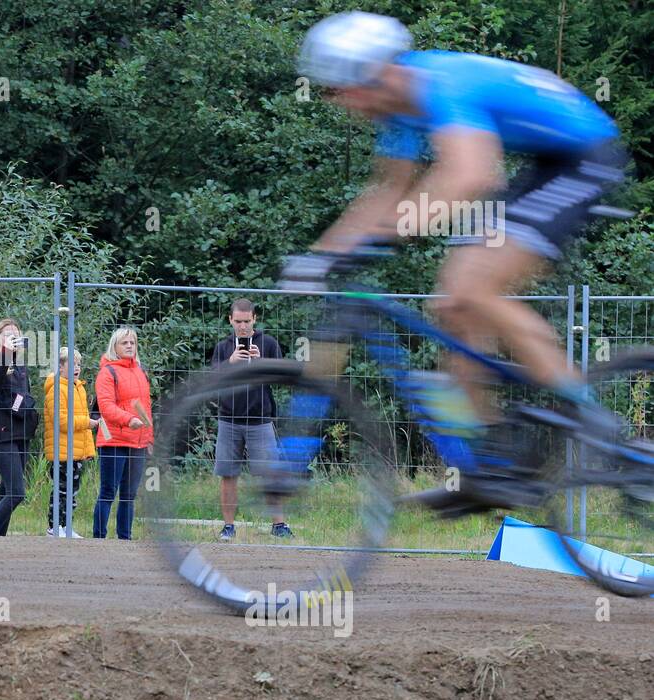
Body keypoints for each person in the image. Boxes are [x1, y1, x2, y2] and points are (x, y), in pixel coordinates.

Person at [289, 12, 629, 478]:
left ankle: (591, 415)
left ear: (376, 72)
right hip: (541, 161)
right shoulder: (398, 111)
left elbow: (472, 175)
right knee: (451, 306)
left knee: (473, 288)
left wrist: (386, 234)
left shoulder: (441, 84)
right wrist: (325, 254)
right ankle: (489, 457)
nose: (340, 102)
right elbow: (387, 191)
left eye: (341, 88)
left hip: (584, 158)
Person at [210, 299, 290, 539]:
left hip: (260, 419)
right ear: (230, 320)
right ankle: (228, 526)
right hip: (229, 418)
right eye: (238, 322)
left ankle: (279, 525)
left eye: (247, 321)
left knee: (270, 474)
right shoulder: (223, 347)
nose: (243, 327)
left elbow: (282, 379)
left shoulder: (268, 343)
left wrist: (260, 363)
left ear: (255, 319)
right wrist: (230, 363)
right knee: (228, 474)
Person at [92, 327, 153, 540]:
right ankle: (98, 538)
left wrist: (149, 437)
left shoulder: (140, 370)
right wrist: (129, 420)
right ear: (114, 347)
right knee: (108, 492)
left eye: (132, 343)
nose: (129, 346)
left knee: (129, 496)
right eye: (124, 343)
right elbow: (106, 407)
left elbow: (146, 407)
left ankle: (124, 539)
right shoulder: (107, 373)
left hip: (138, 443)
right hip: (114, 442)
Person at [0, 318, 40, 536]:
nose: (13, 337)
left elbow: (23, 395)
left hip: (21, 433)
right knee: (17, 493)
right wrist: (5, 354)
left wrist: (29, 409)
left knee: (6, 490)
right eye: (7, 334)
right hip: (2, 433)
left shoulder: (20, 364)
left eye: (16, 334)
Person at [43, 346, 97, 538]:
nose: (77, 368)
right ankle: (54, 527)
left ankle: (66, 527)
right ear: (60, 366)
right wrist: (88, 424)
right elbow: (62, 422)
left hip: (76, 451)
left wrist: (88, 450)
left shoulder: (78, 388)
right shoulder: (56, 390)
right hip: (62, 451)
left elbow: (80, 420)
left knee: (72, 493)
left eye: (79, 364)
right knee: (61, 491)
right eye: (72, 364)